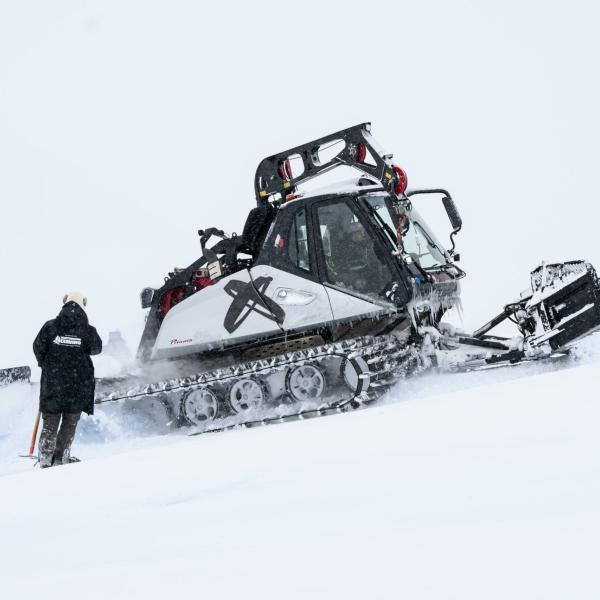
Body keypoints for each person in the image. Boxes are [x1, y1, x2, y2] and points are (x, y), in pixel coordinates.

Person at [33, 291, 102, 468]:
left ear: (65, 303)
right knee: (70, 422)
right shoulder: (88, 330)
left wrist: (45, 364)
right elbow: (96, 349)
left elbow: (37, 347)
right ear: (83, 305)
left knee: (51, 421)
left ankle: (45, 459)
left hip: (52, 384)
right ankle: (60, 458)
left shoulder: (50, 327)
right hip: (77, 385)